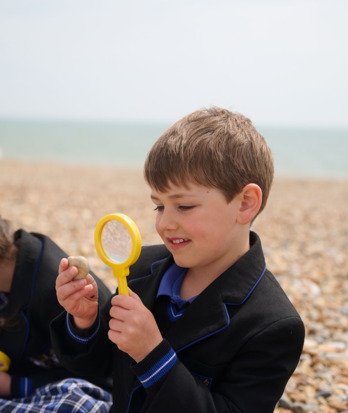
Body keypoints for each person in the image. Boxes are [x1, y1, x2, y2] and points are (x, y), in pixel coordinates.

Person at [50, 107, 305, 412]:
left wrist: (152, 353)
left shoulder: (272, 324)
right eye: (158, 206)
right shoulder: (141, 268)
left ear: (245, 204)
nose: (164, 224)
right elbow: (100, 367)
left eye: (183, 206)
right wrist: (85, 322)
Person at [0, 217, 112, 400]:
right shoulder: (14, 265)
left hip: (90, 390)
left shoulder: (58, 289)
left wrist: (12, 385)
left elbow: (101, 376)